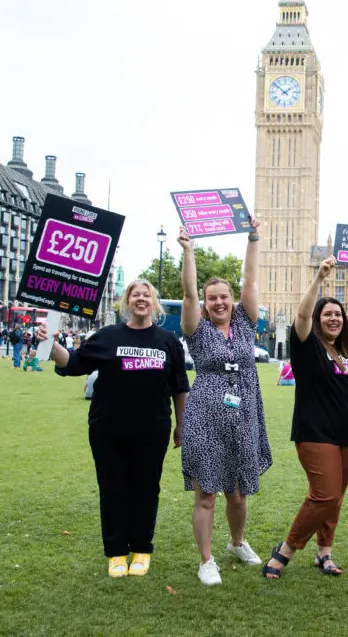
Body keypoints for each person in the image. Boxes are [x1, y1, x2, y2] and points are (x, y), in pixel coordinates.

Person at [38, 279, 189, 578]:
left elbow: (180, 388)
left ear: (154, 302)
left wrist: (181, 426)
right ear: (126, 302)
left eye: (147, 295)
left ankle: (142, 549)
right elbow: (73, 364)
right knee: (112, 490)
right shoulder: (107, 337)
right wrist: (50, 343)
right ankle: (117, 552)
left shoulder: (168, 341)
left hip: (153, 430)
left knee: (147, 490)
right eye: (135, 294)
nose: (141, 299)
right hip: (109, 430)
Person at [178, 222, 273, 587]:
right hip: (205, 418)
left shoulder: (246, 325)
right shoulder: (197, 330)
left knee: (238, 491)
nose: (219, 302)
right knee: (207, 494)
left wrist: (252, 239)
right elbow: (187, 295)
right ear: (205, 302)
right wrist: (189, 250)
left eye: (224, 296)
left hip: (244, 415)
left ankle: (236, 542)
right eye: (211, 297)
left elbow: (250, 280)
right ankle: (206, 560)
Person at [262, 257, 348, 580]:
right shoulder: (307, 345)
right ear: (319, 319)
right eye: (328, 314)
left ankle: (325, 553)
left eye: (338, 314)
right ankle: (286, 550)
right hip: (314, 430)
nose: (333, 318)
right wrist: (320, 277)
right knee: (325, 494)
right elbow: (303, 314)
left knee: (335, 499)